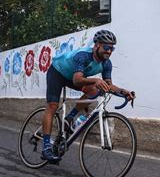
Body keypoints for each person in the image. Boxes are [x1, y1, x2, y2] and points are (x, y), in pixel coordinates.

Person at [41, 29, 135, 162]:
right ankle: (46, 147)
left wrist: (123, 92)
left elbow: (109, 85)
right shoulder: (84, 56)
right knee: (52, 106)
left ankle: (69, 118)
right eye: (106, 47)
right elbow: (77, 80)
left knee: (94, 90)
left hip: (73, 76)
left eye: (112, 48)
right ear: (96, 45)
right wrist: (96, 80)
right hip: (57, 72)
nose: (109, 51)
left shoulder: (106, 64)